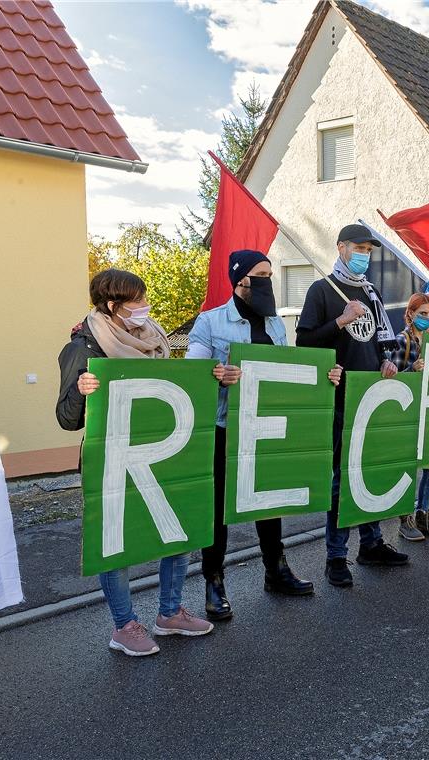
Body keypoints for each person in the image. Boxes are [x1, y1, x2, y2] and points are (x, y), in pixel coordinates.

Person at [56, 268, 212, 656]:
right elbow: (66, 418)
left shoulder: (153, 339)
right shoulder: (83, 347)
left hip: (162, 454)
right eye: (137, 301)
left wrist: (215, 378)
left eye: (144, 299)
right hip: (113, 461)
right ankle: (124, 626)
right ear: (113, 306)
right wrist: (81, 391)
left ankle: (170, 613)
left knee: (178, 532)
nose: (145, 307)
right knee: (117, 544)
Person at [187, 250, 328, 621]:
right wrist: (215, 373)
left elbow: (287, 369)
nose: (268, 280)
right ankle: (213, 582)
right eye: (260, 274)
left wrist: (323, 376)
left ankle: (276, 570)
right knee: (217, 509)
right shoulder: (210, 322)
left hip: (266, 427)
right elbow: (192, 375)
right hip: (224, 428)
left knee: (270, 501)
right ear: (239, 281)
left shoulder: (275, 325)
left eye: (270, 273)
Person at [296, 224, 409, 589]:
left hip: (370, 398)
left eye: (369, 250)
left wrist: (388, 362)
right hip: (339, 399)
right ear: (341, 247)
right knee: (341, 481)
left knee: (369, 474)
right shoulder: (322, 290)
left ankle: (371, 544)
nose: (365, 254)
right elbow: (305, 343)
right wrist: (341, 322)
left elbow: (382, 341)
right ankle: (336, 556)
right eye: (359, 247)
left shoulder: (371, 292)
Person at [390, 294, 429, 542]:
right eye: (423, 313)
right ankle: (405, 519)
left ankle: (423, 513)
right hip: (410, 410)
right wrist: (411, 370)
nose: (428, 318)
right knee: (409, 467)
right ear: (411, 313)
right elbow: (392, 378)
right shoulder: (402, 339)